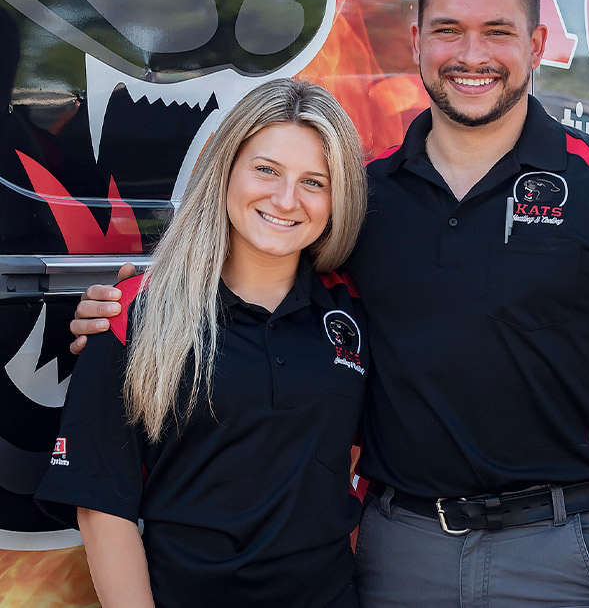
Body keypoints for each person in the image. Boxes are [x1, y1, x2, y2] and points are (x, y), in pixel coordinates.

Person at [69, 0, 589, 608]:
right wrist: (128, 311)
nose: (471, 56)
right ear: (416, 41)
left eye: (496, 32)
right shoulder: (361, 198)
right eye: (448, 30)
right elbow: (252, 272)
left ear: (535, 44)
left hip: (559, 550)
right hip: (397, 549)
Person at [37, 78, 369, 608]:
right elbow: (102, 509)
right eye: (267, 169)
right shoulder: (133, 313)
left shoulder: (352, 315)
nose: (287, 199)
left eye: (315, 181)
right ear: (225, 169)